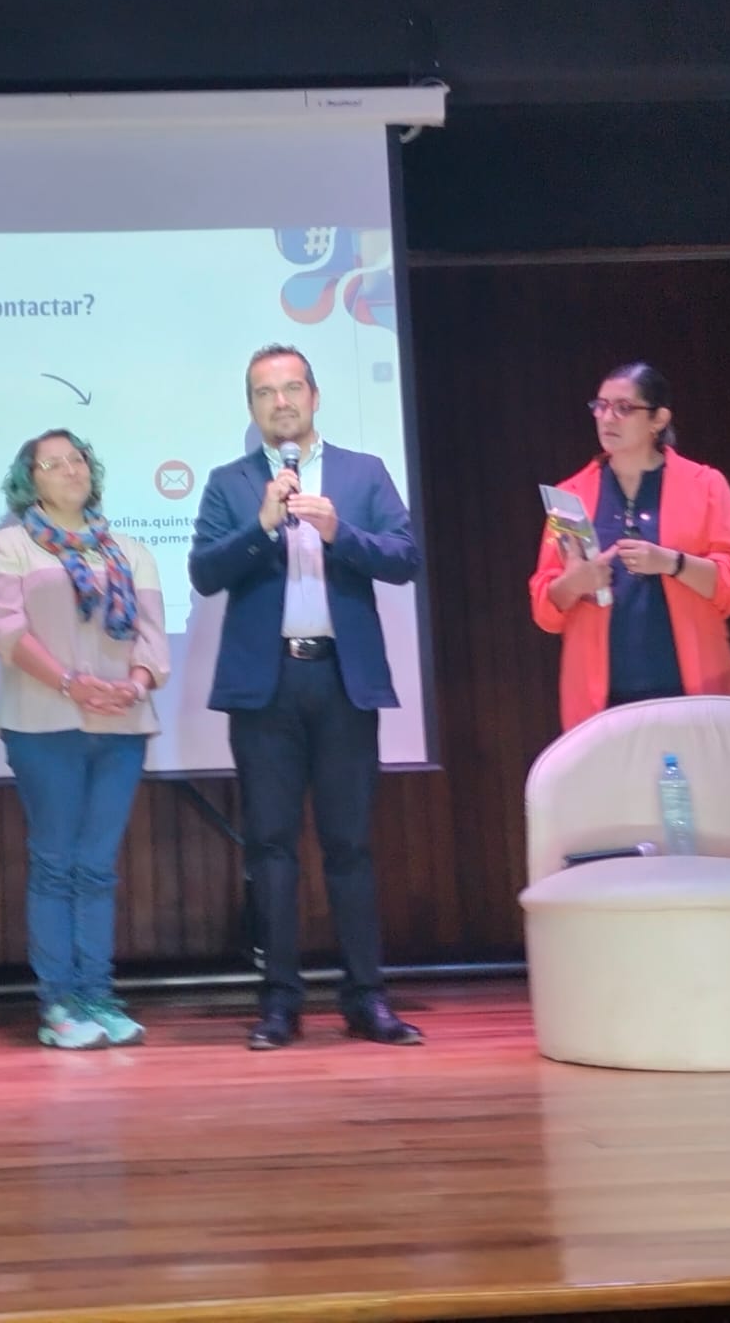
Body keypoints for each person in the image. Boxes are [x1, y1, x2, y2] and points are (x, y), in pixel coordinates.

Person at [189, 344, 423, 1052]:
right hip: (266, 689)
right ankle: (280, 1001)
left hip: (341, 681)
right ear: (252, 407)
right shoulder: (230, 483)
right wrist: (261, 525)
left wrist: (337, 532)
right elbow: (204, 573)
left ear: (315, 397)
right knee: (270, 847)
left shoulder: (363, 472)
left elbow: (404, 558)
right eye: (265, 393)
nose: (281, 402)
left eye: (292, 388)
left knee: (350, 845)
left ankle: (366, 997)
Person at [0, 429, 170, 1050]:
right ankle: (59, 1003)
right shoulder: (9, 546)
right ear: (29, 480)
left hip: (121, 725)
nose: (70, 470)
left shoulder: (130, 549)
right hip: (42, 723)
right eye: (53, 463)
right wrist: (70, 683)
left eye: (77, 459)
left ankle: (99, 995)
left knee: (97, 867)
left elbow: (151, 637)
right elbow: (6, 631)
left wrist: (134, 686)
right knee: (56, 863)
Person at [529, 361, 730, 733]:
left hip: (692, 693)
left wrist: (672, 563)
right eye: (601, 406)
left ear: (658, 419)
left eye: (624, 408)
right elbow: (545, 609)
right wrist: (575, 583)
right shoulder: (570, 496)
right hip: (602, 704)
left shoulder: (705, 485)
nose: (607, 418)